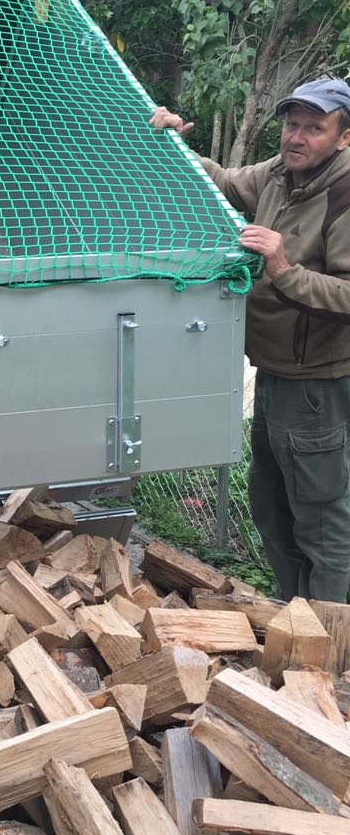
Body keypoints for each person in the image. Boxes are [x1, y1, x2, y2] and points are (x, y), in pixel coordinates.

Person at [150, 78, 350, 602]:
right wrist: (176, 142)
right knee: (272, 507)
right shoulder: (282, 174)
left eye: (315, 127)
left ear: (344, 138)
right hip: (275, 372)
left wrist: (282, 268)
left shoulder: (346, 196)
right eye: (291, 124)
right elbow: (224, 182)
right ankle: (293, 616)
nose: (296, 137)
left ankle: (328, 654)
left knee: (323, 525)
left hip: (316, 385)